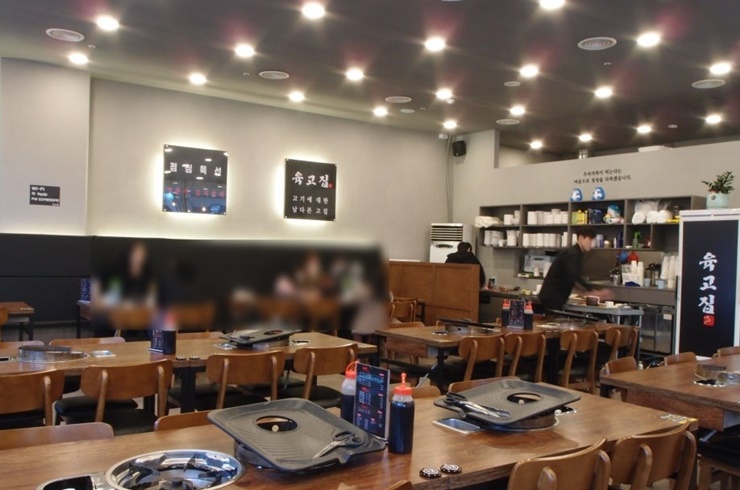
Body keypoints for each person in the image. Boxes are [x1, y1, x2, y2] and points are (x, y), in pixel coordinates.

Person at [538, 227, 612, 311]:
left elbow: (571, 277)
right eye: (590, 240)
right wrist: (592, 291)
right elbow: (573, 276)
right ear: (581, 238)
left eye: (593, 241)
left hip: (554, 296)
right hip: (552, 297)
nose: (592, 244)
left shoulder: (575, 253)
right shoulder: (572, 254)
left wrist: (587, 292)